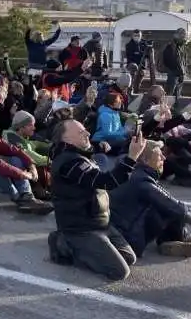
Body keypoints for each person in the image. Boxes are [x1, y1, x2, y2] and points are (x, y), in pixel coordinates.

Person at [48, 119, 146, 281]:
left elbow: (96, 147)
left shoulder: (79, 153)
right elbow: (106, 182)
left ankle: (88, 248)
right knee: (119, 272)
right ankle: (62, 243)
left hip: (100, 223)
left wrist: (135, 140)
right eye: (81, 132)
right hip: (81, 228)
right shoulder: (69, 162)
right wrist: (132, 157)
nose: (87, 133)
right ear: (66, 139)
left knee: (130, 258)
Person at [110, 140, 191, 258]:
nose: (164, 158)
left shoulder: (133, 171)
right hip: (130, 239)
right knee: (170, 208)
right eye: (159, 155)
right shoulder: (141, 180)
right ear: (145, 160)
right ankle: (175, 240)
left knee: (167, 205)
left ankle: (175, 240)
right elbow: (174, 207)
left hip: (123, 230)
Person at [162, 28, 187, 97]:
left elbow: (183, 60)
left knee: (177, 94)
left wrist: (183, 71)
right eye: (181, 34)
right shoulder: (171, 46)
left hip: (180, 74)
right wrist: (175, 70)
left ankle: (175, 107)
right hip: (173, 74)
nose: (183, 36)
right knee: (169, 94)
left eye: (184, 34)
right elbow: (168, 60)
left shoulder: (182, 47)